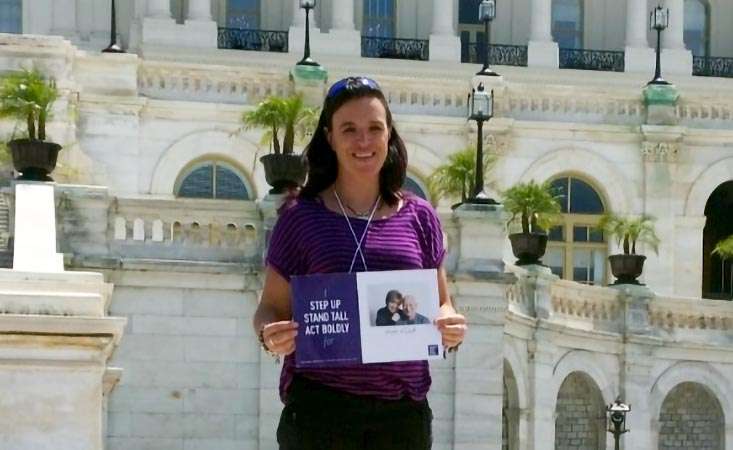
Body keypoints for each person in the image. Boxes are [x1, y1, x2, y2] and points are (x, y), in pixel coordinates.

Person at [253, 76, 467, 450]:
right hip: (320, 411)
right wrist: (270, 334)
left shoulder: (419, 216)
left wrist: (450, 322)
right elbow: (269, 307)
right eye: (349, 129)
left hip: (402, 415)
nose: (363, 141)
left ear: (389, 136)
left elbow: (441, 300)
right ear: (330, 137)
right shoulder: (300, 216)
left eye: (374, 129)